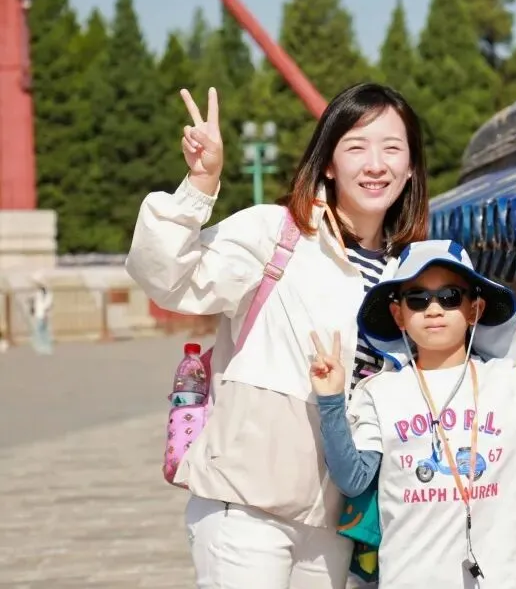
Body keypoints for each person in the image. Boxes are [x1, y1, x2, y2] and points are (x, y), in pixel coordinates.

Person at [125, 82, 429, 589]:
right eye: (356, 146)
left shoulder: (416, 277)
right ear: (328, 162)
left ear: (412, 166)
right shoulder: (277, 233)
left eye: (392, 148)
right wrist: (199, 184)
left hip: (336, 519)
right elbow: (169, 279)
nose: (376, 164)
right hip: (246, 503)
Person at [310, 239, 516, 588]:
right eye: (417, 299)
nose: (433, 309)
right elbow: (352, 479)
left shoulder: (511, 386)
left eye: (449, 297)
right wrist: (331, 401)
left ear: (474, 309)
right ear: (399, 315)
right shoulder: (380, 393)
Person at [29, 273, 54, 355]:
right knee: (40, 330)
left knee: (42, 330)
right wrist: (33, 309)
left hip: (43, 314)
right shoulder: (39, 292)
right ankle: (42, 347)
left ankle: (45, 347)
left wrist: (46, 313)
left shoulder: (45, 292)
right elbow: (35, 303)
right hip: (39, 314)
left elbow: (48, 303)